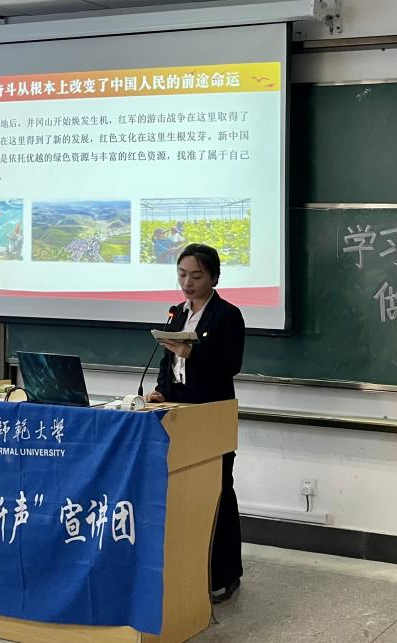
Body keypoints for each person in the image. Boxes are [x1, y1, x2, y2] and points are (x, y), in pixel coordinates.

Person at [146, 243, 245, 604]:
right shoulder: (177, 313)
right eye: (182, 274)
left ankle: (225, 573)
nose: (187, 282)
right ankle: (189, 569)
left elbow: (231, 364)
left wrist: (193, 352)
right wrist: (160, 390)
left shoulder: (227, 315)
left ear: (214, 277)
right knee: (182, 490)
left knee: (218, 490)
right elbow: (168, 361)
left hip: (210, 413)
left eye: (196, 276)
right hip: (178, 412)